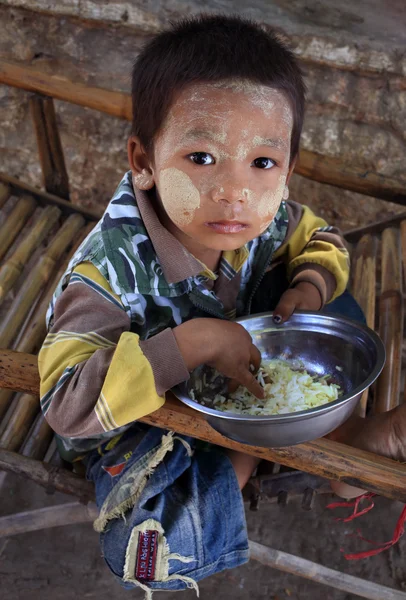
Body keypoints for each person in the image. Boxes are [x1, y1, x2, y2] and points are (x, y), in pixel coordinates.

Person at [38, 15, 354, 596]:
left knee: (338, 305)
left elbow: (324, 239)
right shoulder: (106, 274)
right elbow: (64, 403)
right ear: (143, 161)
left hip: (244, 369)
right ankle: (260, 461)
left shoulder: (265, 217)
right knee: (153, 545)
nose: (235, 190)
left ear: (287, 170)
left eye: (262, 163)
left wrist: (308, 286)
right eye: (203, 158)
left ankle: (343, 436)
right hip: (146, 425)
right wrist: (194, 344)